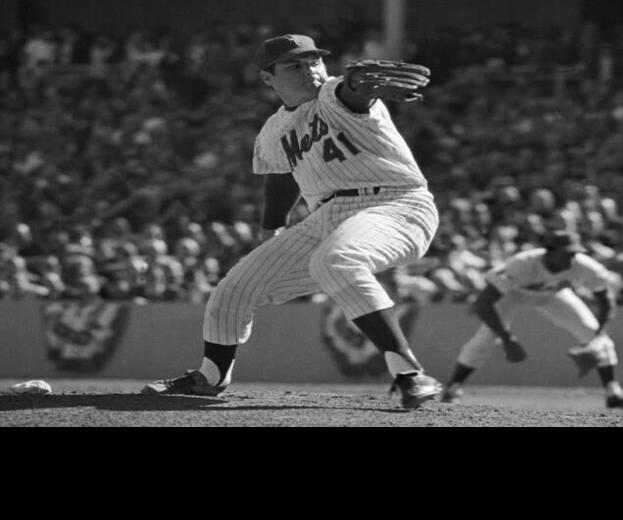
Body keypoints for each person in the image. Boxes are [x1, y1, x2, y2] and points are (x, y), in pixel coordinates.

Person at [142, 34, 443, 408]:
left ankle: (410, 374)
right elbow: (282, 177)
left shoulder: (334, 95)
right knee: (235, 287)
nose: (310, 70)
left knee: (336, 260)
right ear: (269, 79)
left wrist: (357, 86)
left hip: (396, 203)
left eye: (315, 61)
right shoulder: (273, 131)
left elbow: (352, 93)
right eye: (295, 65)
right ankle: (211, 376)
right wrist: (273, 229)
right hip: (327, 217)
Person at [440, 231, 623, 409]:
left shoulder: (585, 266)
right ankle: (453, 387)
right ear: (549, 251)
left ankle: (613, 393)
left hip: (553, 294)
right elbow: (483, 305)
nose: (571, 258)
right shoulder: (522, 263)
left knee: (593, 333)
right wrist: (508, 339)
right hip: (513, 294)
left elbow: (606, 301)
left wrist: (599, 335)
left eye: (574, 253)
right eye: (566, 252)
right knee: (486, 338)